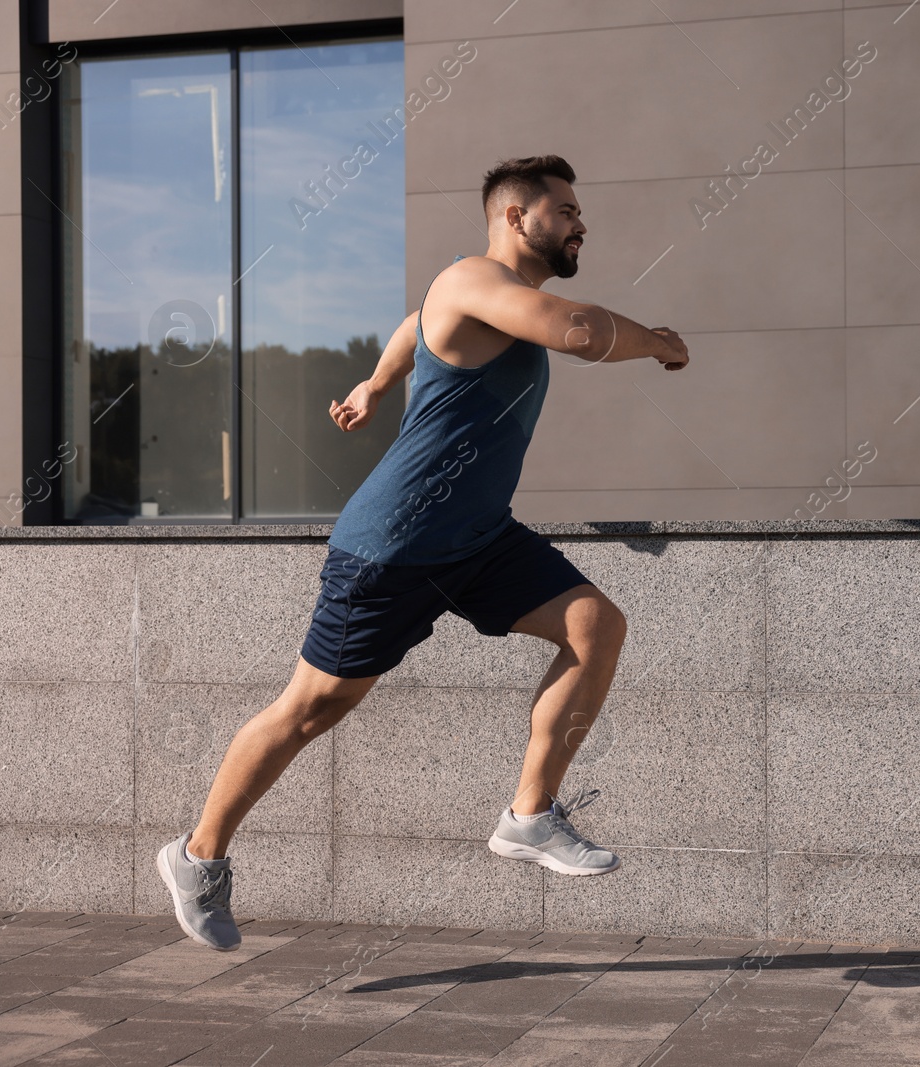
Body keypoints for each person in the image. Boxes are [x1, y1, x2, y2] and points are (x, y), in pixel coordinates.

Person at [157, 155, 690, 951]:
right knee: (310, 710)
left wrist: (375, 383)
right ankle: (197, 856)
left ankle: (530, 814)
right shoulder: (472, 280)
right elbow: (579, 333)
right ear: (516, 217)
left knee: (596, 628)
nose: (582, 223)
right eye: (566, 210)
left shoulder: (480, 301)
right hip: (394, 543)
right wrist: (657, 345)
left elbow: (415, 326)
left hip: (478, 537)